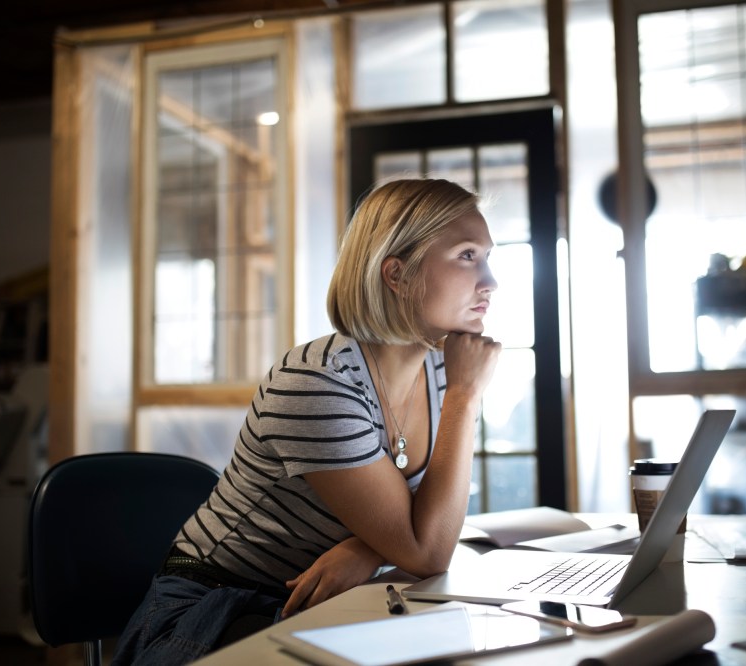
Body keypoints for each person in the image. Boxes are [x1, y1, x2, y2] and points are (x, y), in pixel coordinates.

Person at [112, 178, 501, 665]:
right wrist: (465, 397)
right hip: (212, 611)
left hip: (332, 599)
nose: (490, 281)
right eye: (467, 256)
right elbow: (427, 552)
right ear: (397, 275)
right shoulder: (318, 382)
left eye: (487, 257)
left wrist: (369, 550)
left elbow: (435, 520)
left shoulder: (443, 367)